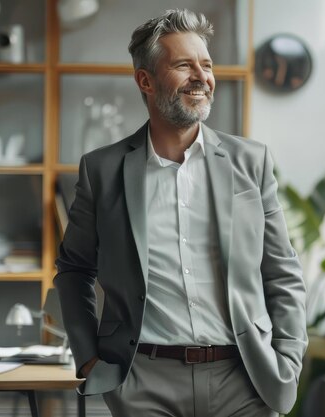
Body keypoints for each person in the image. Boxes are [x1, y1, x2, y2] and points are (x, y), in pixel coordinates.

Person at [54, 8, 307, 417]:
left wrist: (288, 362)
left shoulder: (251, 162)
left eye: (206, 65)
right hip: (143, 382)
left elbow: (281, 271)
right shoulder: (102, 170)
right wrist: (89, 361)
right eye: (184, 65)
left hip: (244, 380)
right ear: (145, 80)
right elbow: (74, 270)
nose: (201, 76)